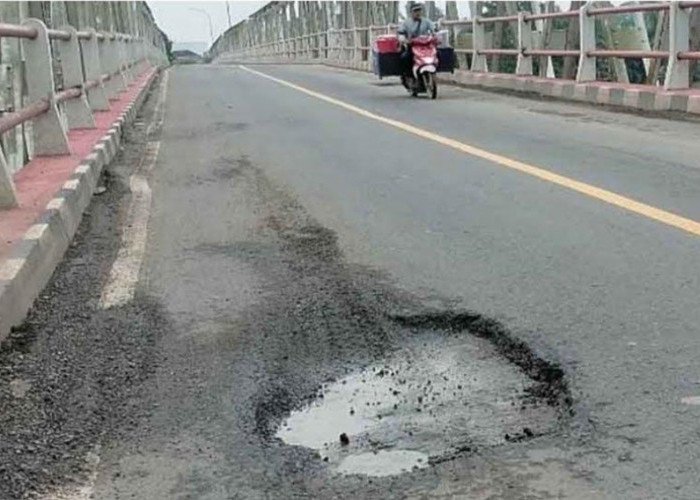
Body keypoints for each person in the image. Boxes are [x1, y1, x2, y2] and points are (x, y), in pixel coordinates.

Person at [397, 2, 436, 76]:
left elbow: (434, 29)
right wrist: (404, 40)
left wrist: (436, 36)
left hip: (426, 46)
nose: (417, 13)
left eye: (419, 10)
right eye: (415, 11)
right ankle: (408, 74)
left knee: (438, 53)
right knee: (405, 57)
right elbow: (400, 33)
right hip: (412, 45)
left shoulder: (426, 21)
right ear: (411, 12)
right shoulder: (406, 23)